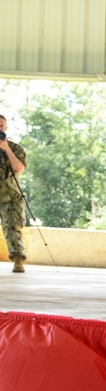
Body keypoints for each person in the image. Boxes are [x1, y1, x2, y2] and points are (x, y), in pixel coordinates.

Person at [0, 114, 28, 273]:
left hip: (10, 197)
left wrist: (6, 149)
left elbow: (18, 168)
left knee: (13, 228)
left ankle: (18, 260)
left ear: (6, 127)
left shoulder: (15, 149)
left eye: (1, 126)